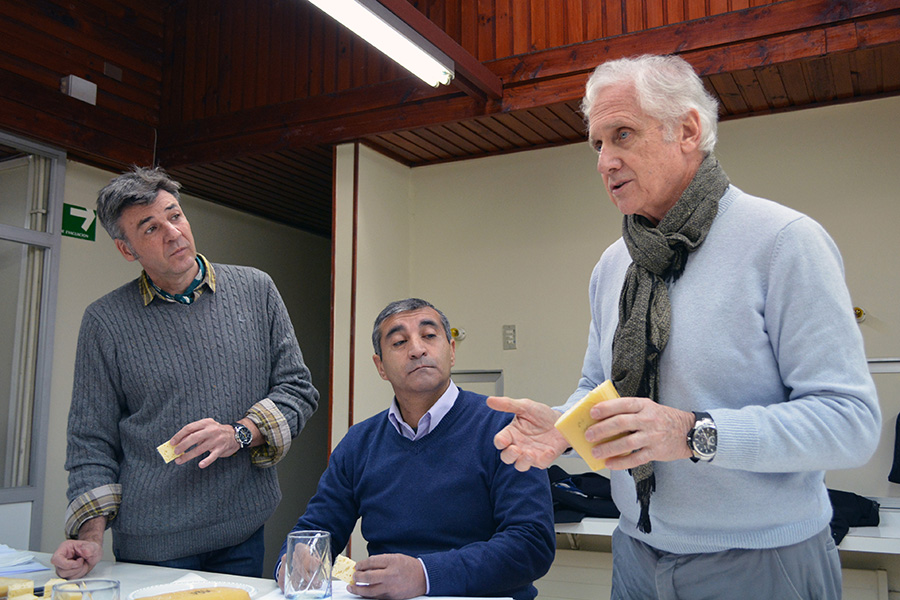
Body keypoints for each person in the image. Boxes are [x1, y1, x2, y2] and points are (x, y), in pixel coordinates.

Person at [487, 54, 881, 599]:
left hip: (763, 561)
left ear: (688, 131)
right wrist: (563, 428)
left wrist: (692, 434)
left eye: (622, 134)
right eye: (597, 144)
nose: (604, 162)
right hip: (636, 554)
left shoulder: (784, 242)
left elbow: (850, 423)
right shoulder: (614, 265)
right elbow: (598, 389)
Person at [51, 166, 320, 579]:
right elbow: (90, 439)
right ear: (127, 250)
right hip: (152, 543)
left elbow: (297, 389)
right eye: (151, 228)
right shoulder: (104, 321)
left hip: (241, 531)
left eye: (175, 215)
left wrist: (239, 433)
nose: (173, 233)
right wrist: (90, 535)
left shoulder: (256, 289)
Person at [277, 298, 555, 600]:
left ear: (451, 351)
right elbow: (318, 528)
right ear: (381, 366)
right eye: (399, 342)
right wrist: (294, 561)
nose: (417, 349)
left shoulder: (504, 430)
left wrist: (425, 575)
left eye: (429, 335)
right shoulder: (359, 442)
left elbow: (531, 544)